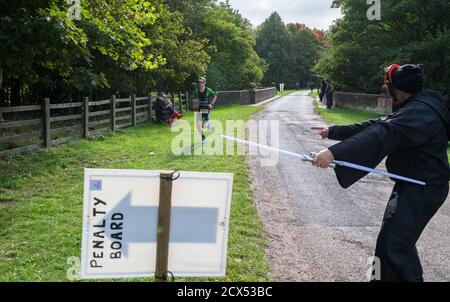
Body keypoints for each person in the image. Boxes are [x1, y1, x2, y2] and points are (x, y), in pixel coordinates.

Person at [311, 64, 450, 282]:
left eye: (389, 87)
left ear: (398, 89)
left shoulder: (418, 112)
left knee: (392, 247)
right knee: (397, 242)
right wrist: (334, 132)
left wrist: (333, 153)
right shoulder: (421, 104)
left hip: (423, 189)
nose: (387, 91)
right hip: (413, 185)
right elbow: (379, 124)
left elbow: (382, 133)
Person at [193, 77, 217, 143]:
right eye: (199, 82)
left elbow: (215, 96)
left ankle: (208, 122)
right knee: (198, 126)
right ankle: (203, 138)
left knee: (204, 126)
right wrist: (195, 104)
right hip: (200, 109)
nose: (200, 83)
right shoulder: (196, 91)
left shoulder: (208, 90)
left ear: (205, 83)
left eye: (202, 82)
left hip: (206, 108)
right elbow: (195, 99)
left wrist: (211, 104)